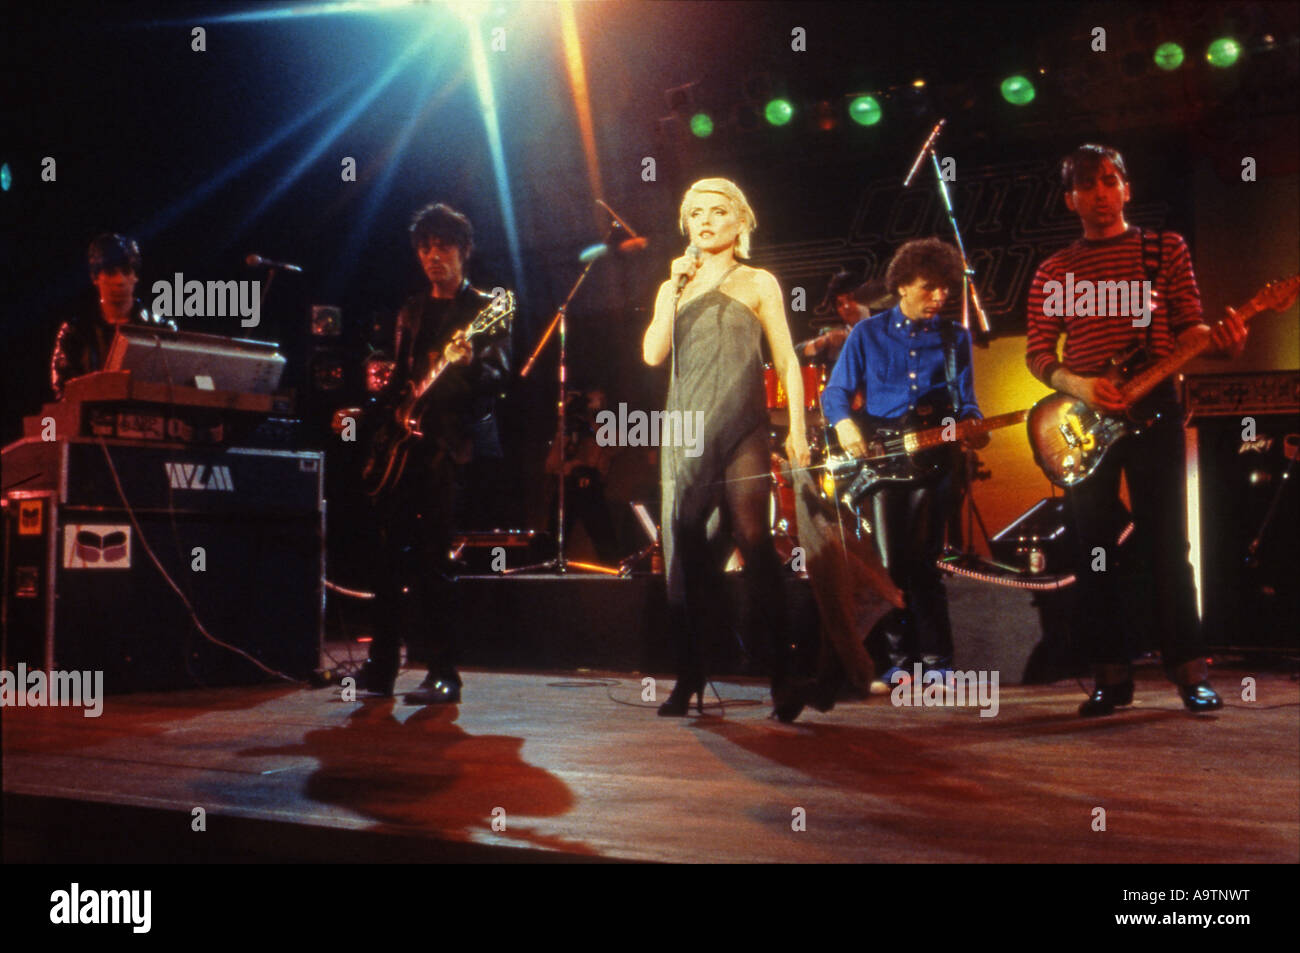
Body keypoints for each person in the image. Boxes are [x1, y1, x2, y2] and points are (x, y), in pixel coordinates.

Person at [1025, 144, 1246, 716]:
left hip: (1156, 411)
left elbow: (1191, 326)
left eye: (1109, 180)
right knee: (1093, 549)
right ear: (1070, 198)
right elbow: (1037, 355)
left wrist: (1224, 343)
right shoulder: (1054, 270)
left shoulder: (1164, 248)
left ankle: (1189, 671)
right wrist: (1079, 387)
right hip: (1086, 422)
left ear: (1126, 188)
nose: (1100, 193)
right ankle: (1109, 676)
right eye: (1087, 185)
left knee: (1170, 541)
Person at [642, 177, 812, 721]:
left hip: (743, 426)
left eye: (718, 212)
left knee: (753, 536)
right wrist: (672, 289)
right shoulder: (675, 286)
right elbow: (652, 355)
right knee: (688, 545)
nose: (706, 221)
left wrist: (801, 430)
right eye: (695, 213)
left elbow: (787, 360)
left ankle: (785, 673)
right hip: (690, 429)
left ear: (741, 222)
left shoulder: (758, 281)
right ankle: (690, 673)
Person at [354, 202, 512, 705]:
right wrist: (379, 414)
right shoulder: (411, 310)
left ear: (463, 250)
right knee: (386, 558)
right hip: (407, 449)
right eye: (424, 248)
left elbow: (498, 379)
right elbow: (402, 379)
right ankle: (380, 669)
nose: (432, 256)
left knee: (436, 560)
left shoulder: (485, 308)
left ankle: (444, 673)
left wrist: (467, 365)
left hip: (453, 448)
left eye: (442, 246)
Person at [821, 238, 983, 685]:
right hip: (881, 464)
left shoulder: (956, 339)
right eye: (930, 287)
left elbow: (966, 403)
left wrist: (974, 427)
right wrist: (845, 425)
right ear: (903, 286)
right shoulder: (867, 333)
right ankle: (899, 662)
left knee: (924, 561)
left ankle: (938, 663)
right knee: (889, 564)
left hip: (935, 461)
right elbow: (834, 392)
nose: (940, 297)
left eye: (945, 289)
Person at [50, 233, 176, 400]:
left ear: (135, 276)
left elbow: (175, 385)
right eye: (110, 272)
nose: (119, 280)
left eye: (126, 271)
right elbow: (63, 390)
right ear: (95, 277)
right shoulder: (75, 332)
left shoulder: (160, 329)